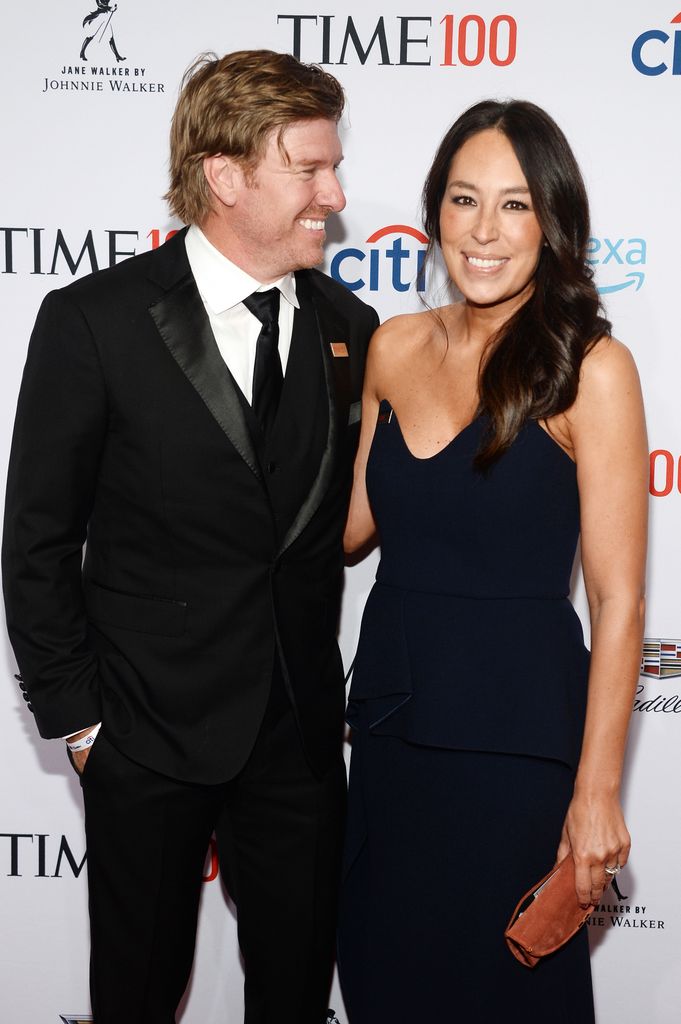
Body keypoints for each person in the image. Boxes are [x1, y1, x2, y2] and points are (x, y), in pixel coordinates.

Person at [2, 50, 378, 1024]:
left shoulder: (352, 325)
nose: (334, 194)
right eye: (310, 168)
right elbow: (37, 538)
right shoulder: (96, 322)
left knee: (294, 998)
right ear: (225, 175)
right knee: (134, 997)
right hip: (145, 733)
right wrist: (84, 726)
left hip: (297, 741)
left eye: (334, 167)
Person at [338, 99, 647, 1022]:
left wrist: (595, 796)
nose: (484, 231)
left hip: (516, 758)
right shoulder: (392, 346)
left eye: (514, 205)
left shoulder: (591, 369)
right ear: (433, 211)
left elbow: (619, 602)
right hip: (392, 741)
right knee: (384, 984)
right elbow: (347, 528)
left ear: (551, 223)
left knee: (510, 997)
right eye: (464, 199)